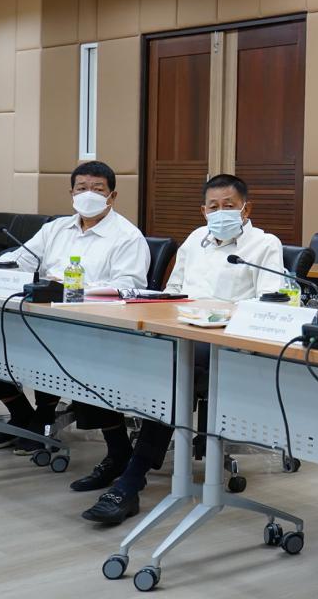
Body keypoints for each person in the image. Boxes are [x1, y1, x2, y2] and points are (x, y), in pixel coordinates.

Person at [80, 174, 284, 525]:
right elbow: (172, 294)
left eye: (229, 206)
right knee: (110, 350)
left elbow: (270, 304)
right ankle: (119, 452)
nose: (220, 212)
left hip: (228, 345)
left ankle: (131, 480)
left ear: (246, 209)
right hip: (183, 333)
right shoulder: (195, 240)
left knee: (173, 370)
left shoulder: (264, 246)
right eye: (213, 207)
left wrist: (217, 316)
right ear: (203, 211)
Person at [0, 161, 150, 463]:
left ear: (112, 196)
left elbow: (129, 288)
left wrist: (76, 287)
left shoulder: (127, 237)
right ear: (71, 193)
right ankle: (21, 415)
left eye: (98, 189)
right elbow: (20, 259)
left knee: (53, 349)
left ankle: (45, 416)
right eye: (81, 188)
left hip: (91, 327)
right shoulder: (56, 229)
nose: (88, 194)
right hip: (40, 318)